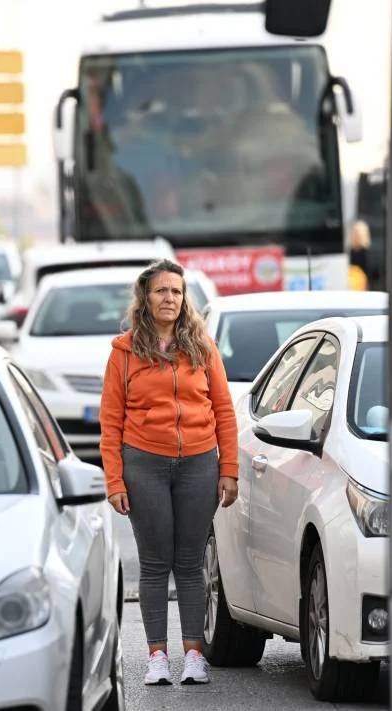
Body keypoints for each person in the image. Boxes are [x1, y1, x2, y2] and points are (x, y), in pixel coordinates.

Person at [99, 258, 238, 686]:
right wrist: (115, 479)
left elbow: (224, 410)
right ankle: (157, 655)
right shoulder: (123, 353)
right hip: (144, 465)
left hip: (199, 463)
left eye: (176, 292)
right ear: (145, 297)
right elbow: (111, 421)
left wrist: (228, 468)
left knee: (191, 561)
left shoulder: (202, 346)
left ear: (185, 298)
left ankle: (194, 655)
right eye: (161, 291)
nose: (170, 299)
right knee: (156, 563)